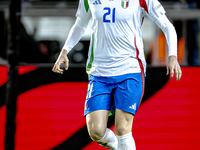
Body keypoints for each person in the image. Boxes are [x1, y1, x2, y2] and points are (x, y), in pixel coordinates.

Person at [52, 0, 182, 149]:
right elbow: (80, 24)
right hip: (99, 72)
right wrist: (64, 50)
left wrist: (172, 56)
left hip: (130, 69)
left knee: (122, 129)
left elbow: (167, 26)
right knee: (95, 131)